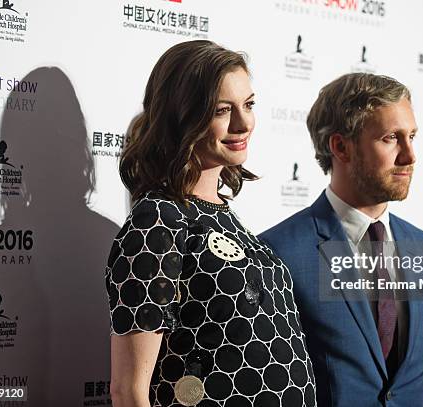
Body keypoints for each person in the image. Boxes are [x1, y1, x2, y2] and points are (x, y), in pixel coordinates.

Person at [105, 40, 316, 407]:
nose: (243, 122)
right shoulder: (158, 219)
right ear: (181, 115)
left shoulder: (223, 216)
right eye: (222, 110)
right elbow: (128, 391)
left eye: (248, 105)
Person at [259, 73, 423, 406]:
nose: (409, 155)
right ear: (341, 147)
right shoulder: (278, 253)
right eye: (391, 138)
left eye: (412, 136)